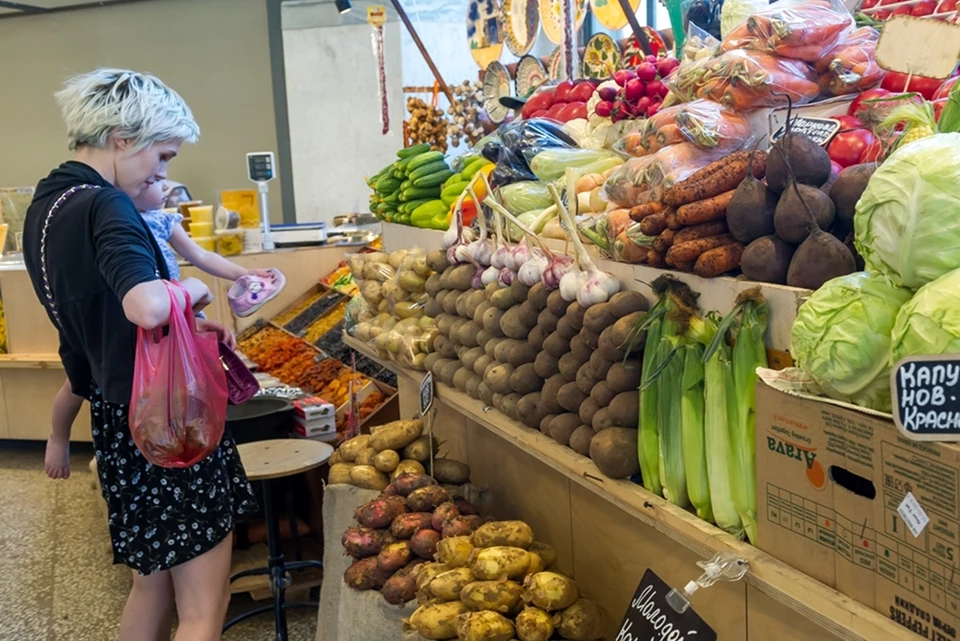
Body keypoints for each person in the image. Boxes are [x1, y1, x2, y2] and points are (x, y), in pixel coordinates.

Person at [23, 68, 258, 641]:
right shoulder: (108, 205)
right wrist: (195, 293)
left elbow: (94, 321)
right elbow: (147, 306)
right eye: (163, 154)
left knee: (150, 584)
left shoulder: (47, 205)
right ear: (123, 138)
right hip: (169, 418)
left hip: (116, 417)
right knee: (203, 606)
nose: (163, 172)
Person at [43, 179, 276, 480]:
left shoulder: (165, 220)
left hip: (173, 308)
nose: (167, 186)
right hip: (125, 322)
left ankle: (181, 430)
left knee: (182, 374)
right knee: (76, 382)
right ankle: (58, 437)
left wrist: (243, 274)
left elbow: (202, 256)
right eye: (156, 180)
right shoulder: (112, 221)